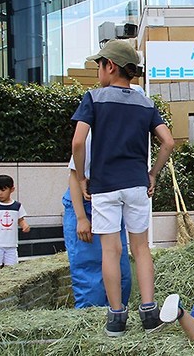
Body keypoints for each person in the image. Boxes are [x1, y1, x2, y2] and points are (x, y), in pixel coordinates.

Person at [71, 39, 175, 336]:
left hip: (105, 186)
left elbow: (78, 142)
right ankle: (149, 313)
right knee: (141, 249)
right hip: (136, 185)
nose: (98, 71)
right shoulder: (145, 102)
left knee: (111, 250)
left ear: (110, 66)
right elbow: (167, 142)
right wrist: (153, 173)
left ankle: (117, 317)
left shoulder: (93, 97)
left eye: (99, 65)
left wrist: (81, 177)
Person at [62, 130, 132, 308]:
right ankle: (92, 321)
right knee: (89, 272)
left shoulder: (128, 133)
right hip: (86, 205)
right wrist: (81, 218)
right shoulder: (94, 134)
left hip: (112, 205)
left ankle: (118, 315)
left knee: (122, 272)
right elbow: (75, 176)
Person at [0, 175, 31, 270]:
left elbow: (20, 219)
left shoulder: (17, 206)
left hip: (11, 245)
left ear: (12, 189)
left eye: (3, 190)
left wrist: (25, 226)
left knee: (12, 270)